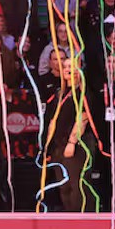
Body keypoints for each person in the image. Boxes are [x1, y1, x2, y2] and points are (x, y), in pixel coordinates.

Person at [44, 55, 94, 211]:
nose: (68, 70)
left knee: (76, 184)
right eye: (65, 67)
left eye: (72, 66)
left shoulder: (83, 92)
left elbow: (82, 118)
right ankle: (69, 216)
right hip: (59, 144)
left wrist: (72, 142)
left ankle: (82, 218)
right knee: (63, 185)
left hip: (77, 143)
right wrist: (47, 146)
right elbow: (52, 121)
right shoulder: (60, 93)